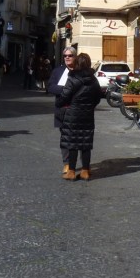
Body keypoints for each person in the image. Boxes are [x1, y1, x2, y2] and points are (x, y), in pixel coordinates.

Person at [56, 52, 102, 181]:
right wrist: (90, 106)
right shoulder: (94, 79)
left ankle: (71, 171)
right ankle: (85, 171)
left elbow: (65, 96)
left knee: (72, 143)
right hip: (87, 114)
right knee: (85, 143)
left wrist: (59, 103)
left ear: (77, 63)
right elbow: (98, 97)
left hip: (73, 114)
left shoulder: (73, 78)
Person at [47, 47, 77, 175]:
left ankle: (78, 164)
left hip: (77, 110)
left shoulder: (80, 71)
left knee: (76, 138)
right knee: (65, 137)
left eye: (70, 55)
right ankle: (67, 163)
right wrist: (66, 89)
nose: (67, 57)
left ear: (75, 56)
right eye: (65, 55)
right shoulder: (58, 71)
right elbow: (50, 87)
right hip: (62, 110)